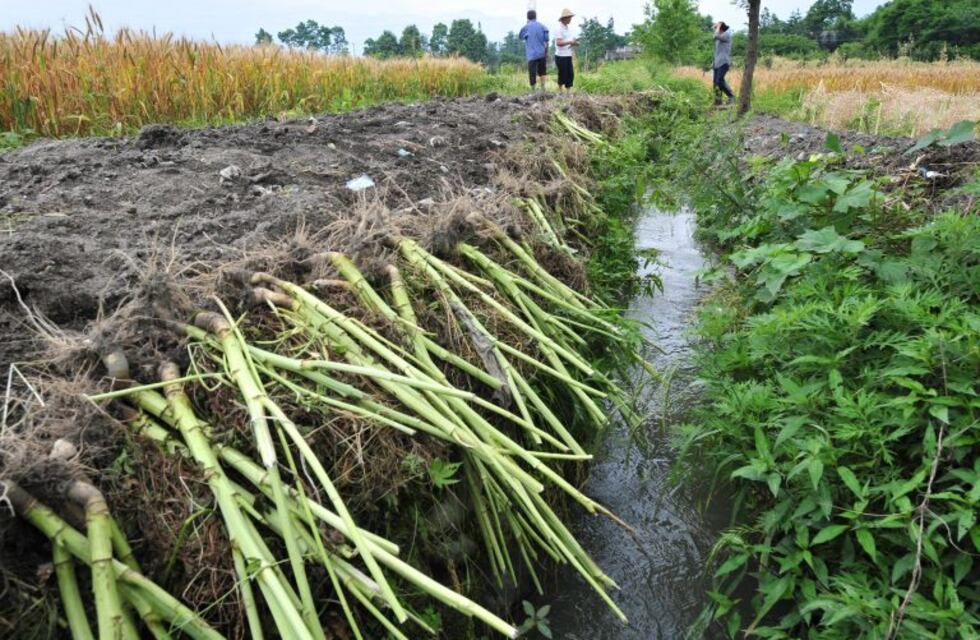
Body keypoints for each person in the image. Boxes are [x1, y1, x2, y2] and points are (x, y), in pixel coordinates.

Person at [519, 10, 550, 90]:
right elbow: (546, 40)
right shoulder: (543, 26)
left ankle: (533, 90)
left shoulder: (526, 27)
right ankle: (543, 87)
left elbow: (520, 37)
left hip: (531, 54)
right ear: (536, 16)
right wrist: (546, 52)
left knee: (532, 72)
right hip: (541, 53)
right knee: (542, 71)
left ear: (527, 17)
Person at [554, 8, 579, 92]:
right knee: (562, 74)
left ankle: (568, 92)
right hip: (561, 55)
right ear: (564, 18)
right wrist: (570, 42)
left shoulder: (568, 28)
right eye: (569, 17)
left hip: (568, 54)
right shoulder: (559, 28)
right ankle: (560, 90)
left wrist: (574, 43)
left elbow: (568, 41)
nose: (570, 19)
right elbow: (558, 42)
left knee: (570, 74)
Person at [712, 22, 735, 106]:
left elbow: (715, 36)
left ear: (720, 28)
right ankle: (718, 101)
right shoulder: (719, 38)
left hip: (724, 62)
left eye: (716, 27)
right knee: (715, 83)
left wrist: (718, 25)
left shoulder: (726, 35)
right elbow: (717, 51)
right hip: (717, 63)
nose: (715, 29)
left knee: (719, 81)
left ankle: (731, 96)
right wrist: (713, 63)